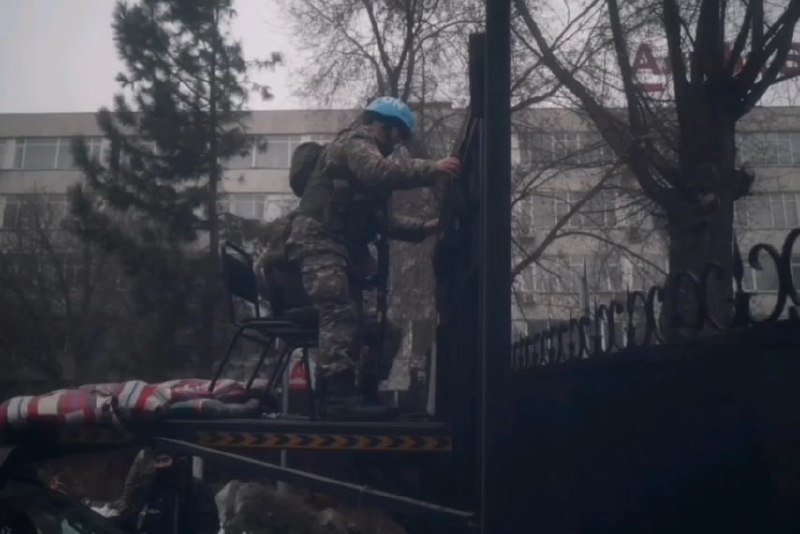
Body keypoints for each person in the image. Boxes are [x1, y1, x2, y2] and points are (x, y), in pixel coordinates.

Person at [285, 96, 461, 421]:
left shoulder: (365, 170)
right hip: (318, 239)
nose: (396, 146)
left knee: (370, 325)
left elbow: (384, 223)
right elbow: (380, 173)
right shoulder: (356, 141)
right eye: (397, 136)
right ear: (383, 126)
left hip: (336, 247)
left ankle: (356, 396)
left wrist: (425, 227)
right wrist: (432, 169)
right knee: (339, 312)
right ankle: (338, 399)